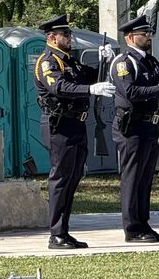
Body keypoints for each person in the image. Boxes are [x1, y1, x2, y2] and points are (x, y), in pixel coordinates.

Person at [34, 14, 116, 249]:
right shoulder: (49, 61)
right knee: (60, 179)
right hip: (60, 125)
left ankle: (64, 231)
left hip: (76, 125)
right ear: (52, 37)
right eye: (65, 34)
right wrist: (91, 89)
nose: (70, 38)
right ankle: (56, 234)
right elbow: (59, 87)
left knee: (73, 178)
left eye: (69, 34)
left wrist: (104, 62)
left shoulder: (70, 61)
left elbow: (89, 76)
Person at [110, 15, 159, 243]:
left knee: (145, 178)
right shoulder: (124, 62)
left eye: (150, 33)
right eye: (144, 34)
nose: (149, 37)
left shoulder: (150, 61)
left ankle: (143, 223)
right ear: (131, 37)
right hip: (132, 126)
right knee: (132, 178)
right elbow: (130, 92)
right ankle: (132, 228)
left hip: (150, 125)